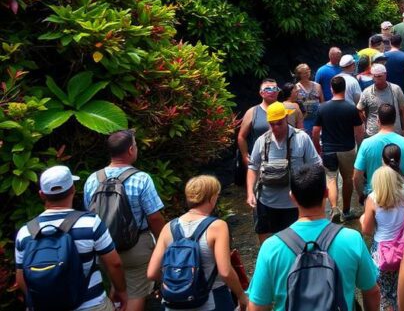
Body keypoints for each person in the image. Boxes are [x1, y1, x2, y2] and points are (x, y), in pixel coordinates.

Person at [247, 165, 380, 311]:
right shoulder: (352, 239)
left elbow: (257, 307)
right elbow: (371, 291)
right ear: (326, 194)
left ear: (292, 197)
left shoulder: (271, 247)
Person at [15, 165, 128, 311]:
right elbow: (114, 264)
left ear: (42, 195)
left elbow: (20, 278)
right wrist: (121, 291)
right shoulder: (91, 223)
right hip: (91, 305)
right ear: (73, 190)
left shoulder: (25, 232)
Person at [84, 129, 166, 311]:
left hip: (105, 250)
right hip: (136, 248)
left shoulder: (92, 180)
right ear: (130, 150)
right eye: (135, 145)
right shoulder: (141, 179)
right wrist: (164, 243)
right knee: (135, 294)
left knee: (118, 289)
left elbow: (90, 217)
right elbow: (154, 217)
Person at [147, 176, 248, 311]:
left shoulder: (169, 227)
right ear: (211, 198)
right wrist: (241, 296)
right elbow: (225, 271)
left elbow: (152, 273)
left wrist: (178, 284)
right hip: (212, 299)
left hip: (175, 303)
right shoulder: (217, 226)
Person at [246, 101, 321, 244]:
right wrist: (250, 192)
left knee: (296, 243)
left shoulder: (301, 138)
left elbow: (315, 166)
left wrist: (316, 197)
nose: (275, 128)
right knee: (266, 240)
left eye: (279, 123)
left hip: (293, 205)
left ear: (286, 119)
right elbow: (253, 167)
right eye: (272, 124)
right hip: (266, 202)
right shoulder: (261, 141)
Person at [362, 145, 404, 311]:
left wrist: (362, 218)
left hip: (384, 252)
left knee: (386, 295)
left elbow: (366, 230)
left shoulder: (373, 198)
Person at [314, 75, 365, 223]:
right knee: (347, 179)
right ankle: (346, 211)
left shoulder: (322, 108)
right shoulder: (351, 108)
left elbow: (316, 131)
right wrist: (360, 147)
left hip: (328, 149)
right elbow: (359, 131)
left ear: (331, 88)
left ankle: (334, 208)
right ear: (345, 88)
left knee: (331, 179)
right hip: (347, 149)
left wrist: (317, 147)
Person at [354, 104, 404, 204]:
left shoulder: (366, 144)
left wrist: (362, 195)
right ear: (395, 120)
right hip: (400, 196)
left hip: (374, 197)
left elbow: (357, 177)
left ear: (378, 121)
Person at [359, 63, 404, 137]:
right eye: (375, 76)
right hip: (374, 134)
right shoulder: (367, 92)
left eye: (379, 76)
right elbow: (359, 109)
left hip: (394, 133)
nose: (377, 79)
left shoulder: (396, 89)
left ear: (385, 75)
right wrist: (366, 122)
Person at [291, 63, 324, 135]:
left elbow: (322, 103)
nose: (307, 74)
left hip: (317, 120)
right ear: (299, 74)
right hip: (303, 121)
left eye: (308, 71)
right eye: (304, 72)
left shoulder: (317, 86)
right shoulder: (296, 88)